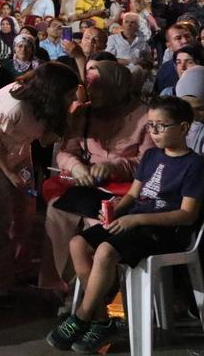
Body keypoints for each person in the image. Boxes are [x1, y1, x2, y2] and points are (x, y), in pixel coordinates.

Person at [45, 96, 204, 353]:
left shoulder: (195, 164)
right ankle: (102, 321)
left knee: (106, 250)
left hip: (164, 230)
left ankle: (82, 316)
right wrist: (115, 210)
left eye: (161, 126)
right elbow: (133, 195)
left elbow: (187, 215)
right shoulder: (152, 156)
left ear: (184, 128)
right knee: (78, 243)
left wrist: (136, 218)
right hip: (134, 222)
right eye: (150, 126)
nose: (154, 132)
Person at [42, 61, 153, 295]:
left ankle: (97, 293)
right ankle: (61, 284)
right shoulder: (83, 112)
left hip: (125, 191)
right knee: (56, 212)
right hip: (89, 184)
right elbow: (66, 152)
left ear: (117, 86)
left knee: (99, 225)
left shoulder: (144, 116)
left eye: (98, 86)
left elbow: (148, 161)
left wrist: (113, 166)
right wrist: (76, 166)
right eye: (89, 85)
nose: (91, 92)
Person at [0, 61, 81, 303]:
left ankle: (20, 267)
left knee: (25, 207)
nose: (74, 96)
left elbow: (43, 140)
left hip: (20, 152)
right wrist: (9, 174)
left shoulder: (47, 105)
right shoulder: (15, 106)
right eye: (70, 92)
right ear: (55, 90)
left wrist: (70, 120)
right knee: (0, 214)